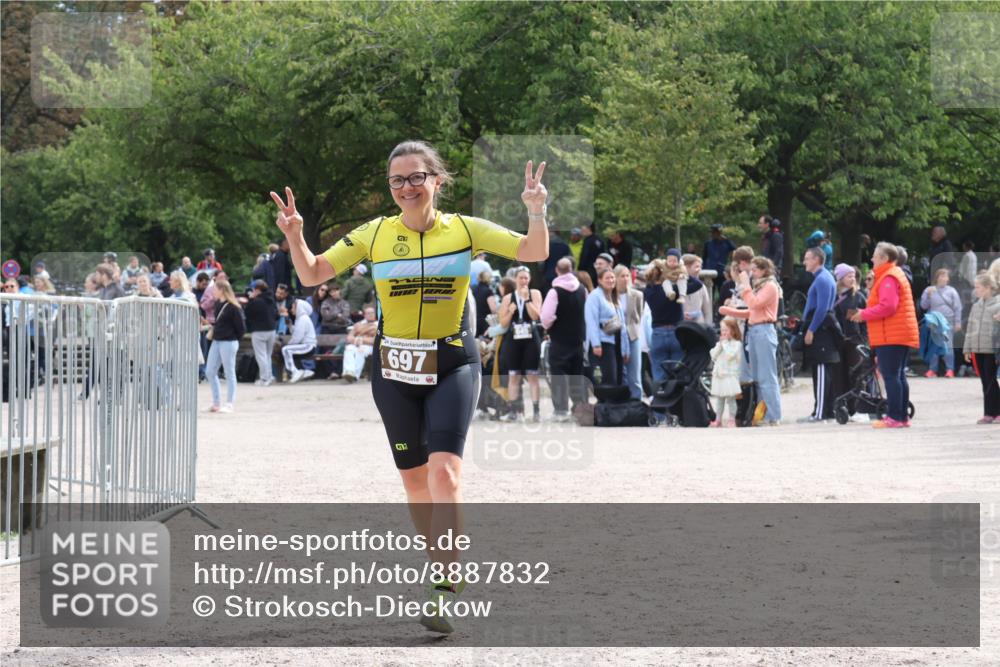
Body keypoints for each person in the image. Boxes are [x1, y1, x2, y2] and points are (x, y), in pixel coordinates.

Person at [270, 139, 549, 634]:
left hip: (452, 364)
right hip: (395, 370)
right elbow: (313, 272)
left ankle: (444, 579)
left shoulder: (464, 230)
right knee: (417, 483)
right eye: (396, 180)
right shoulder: (375, 234)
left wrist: (536, 211)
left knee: (446, 477)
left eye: (416, 177)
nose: (406, 188)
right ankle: (439, 560)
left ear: (437, 180)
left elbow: (535, 250)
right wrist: (295, 235)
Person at [848, 242, 919, 428]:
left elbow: (888, 306)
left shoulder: (889, 277)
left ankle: (895, 417)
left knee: (891, 376)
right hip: (897, 333)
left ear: (885, 259)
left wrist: (864, 314)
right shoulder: (893, 275)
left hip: (892, 335)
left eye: (875, 255)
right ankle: (901, 417)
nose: (871, 258)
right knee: (898, 376)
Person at [719, 257, 783, 426]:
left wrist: (745, 284)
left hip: (764, 331)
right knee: (756, 376)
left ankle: (773, 415)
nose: (752, 273)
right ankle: (760, 413)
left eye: (755, 270)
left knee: (767, 375)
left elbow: (754, 304)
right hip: (755, 331)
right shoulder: (760, 286)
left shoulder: (770, 286)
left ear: (764, 270)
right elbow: (752, 312)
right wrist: (731, 311)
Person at [541, 257, 587, 421]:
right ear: (572, 269)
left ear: (556, 270)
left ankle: (561, 410)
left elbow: (546, 317)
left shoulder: (555, 292)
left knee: (558, 375)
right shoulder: (582, 289)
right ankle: (580, 407)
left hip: (559, 339)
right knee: (577, 375)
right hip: (578, 339)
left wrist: (549, 327)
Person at [799, 247, 840, 422]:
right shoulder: (823, 278)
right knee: (822, 370)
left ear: (816, 259)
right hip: (820, 328)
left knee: (822, 369)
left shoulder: (823, 279)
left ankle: (820, 412)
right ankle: (826, 410)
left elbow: (822, 308)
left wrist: (811, 329)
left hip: (821, 330)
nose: (804, 262)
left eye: (807, 258)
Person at [498, 266, 544, 422]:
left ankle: (536, 411)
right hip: (513, 338)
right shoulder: (507, 298)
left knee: (532, 375)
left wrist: (527, 300)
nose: (524, 281)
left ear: (529, 279)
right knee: (514, 376)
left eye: (526, 278)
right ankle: (513, 410)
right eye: (521, 278)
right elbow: (502, 323)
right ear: (515, 279)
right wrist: (510, 311)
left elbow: (537, 316)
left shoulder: (535, 293)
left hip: (531, 337)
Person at [831, 264, 870, 422]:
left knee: (857, 374)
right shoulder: (833, 296)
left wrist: (865, 338)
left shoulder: (859, 297)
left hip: (855, 340)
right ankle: (841, 407)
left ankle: (858, 408)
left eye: (854, 275)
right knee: (839, 375)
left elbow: (865, 320)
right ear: (840, 278)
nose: (852, 278)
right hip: (838, 341)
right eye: (848, 276)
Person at [643, 258, 688, 391]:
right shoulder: (674, 290)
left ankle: (660, 409)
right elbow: (696, 284)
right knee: (677, 373)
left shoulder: (649, 291)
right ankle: (677, 406)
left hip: (657, 333)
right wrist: (680, 271)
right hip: (676, 333)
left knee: (658, 374)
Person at [962, 272, 1000, 424]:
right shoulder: (976, 306)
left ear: (987, 288)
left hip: (991, 350)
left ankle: (997, 412)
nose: (975, 290)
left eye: (978, 287)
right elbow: (970, 328)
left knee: (991, 381)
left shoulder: (998, 304)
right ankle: (988, 413)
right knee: (985, 381)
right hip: (977, 350)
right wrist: (967, 348)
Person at [205, 280, 245, 413]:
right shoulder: (218, 304)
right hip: (217, 341)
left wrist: (233, 339)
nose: (213, 291)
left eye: (215, 289)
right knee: (210, 371)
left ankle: (229, 403)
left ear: (222, 289)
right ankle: (216, 402)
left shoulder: (234, 307)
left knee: (229, 372)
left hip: (229, 341)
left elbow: (241, 328)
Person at [585, 267, 629, 387]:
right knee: (608, 378)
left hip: (617, 341)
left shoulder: (615, 298)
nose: (611, 280)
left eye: (612, 277)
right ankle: (605, 403)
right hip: (603, 342)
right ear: (599, 280)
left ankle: (615, 404)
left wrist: (626, 349)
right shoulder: (594, 297)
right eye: (607, 278)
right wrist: (596, 344)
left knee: (618, 378)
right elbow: (591, 321)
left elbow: (622, 325)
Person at [919, 268, 962, 377]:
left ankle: (950, 369)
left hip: (948, 321)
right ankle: (932, 369)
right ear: (936, 278)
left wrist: (958, 322)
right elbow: (923, 306)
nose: (943, 278)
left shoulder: (952, 291)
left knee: (948, 345)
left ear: (948, 279)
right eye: (941, 276)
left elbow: (958, 307)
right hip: (934, 321)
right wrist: (928, 296)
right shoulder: (929, 289)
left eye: (945, 276)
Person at [615, 264, 644, 400]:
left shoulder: (637, 295)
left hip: (632, 334)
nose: (625, 279)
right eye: (622, 276)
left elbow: (638, 315)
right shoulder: (609, 295)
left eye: (627, 275)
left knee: (634, 373)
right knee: (620, 372)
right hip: (615, 335)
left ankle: (637, 401)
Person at [710, 318, 743, 427]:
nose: (723, 332)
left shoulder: (736, 344)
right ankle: (718, 419)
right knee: (719, 399)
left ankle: (732, 419)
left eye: (726, 330)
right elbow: (713, 355)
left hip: (729, 376)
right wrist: (720, 345)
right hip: (720, 375)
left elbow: (730, 355)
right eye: (722, 330)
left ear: (733, 331)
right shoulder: (721, 343)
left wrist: (724, 344)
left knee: (731, 399)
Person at [244, 280, 278, 386]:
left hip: (259, 331)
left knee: (261, 355)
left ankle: (264, 378)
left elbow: (247, 313)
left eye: (254, 290)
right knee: (267, 355)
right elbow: (276, 315)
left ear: (257, 290)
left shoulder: (255, 301)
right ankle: (269, 376)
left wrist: (250, 299)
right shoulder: (271, 300)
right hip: (271, 330)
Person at [283, 298, 317, 383]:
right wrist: (290, 325)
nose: (291, 310)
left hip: (308, 346)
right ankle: (305, 372)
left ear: (299, 308)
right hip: (306, 346)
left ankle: (294, 372)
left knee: (286, 350)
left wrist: (289, 344)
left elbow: (298, 337)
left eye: (293, 307)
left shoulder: (303, 319)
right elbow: (296, 332)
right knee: (287, 349)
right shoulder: (300, 319)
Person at [342, 306, 378, 382]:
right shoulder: (359, 324)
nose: (370, 314)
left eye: (372, 313)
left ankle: (355, 376)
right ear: (364, 315)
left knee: (361, 350)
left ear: (375, 314)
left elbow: (376, 340)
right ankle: (349, 372)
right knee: (349, 348)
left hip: (370, 347)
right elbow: (349, 337)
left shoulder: (378, 325)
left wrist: (361, 339)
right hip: (356, 344)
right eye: (368, 313)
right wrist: (357, 340)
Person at [681, 254, 712, 323]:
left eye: (700, 267)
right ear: (686, 268)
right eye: (696, 267)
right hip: (680, 327)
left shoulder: (702, 287)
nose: (699, 270)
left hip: (698, 327)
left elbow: (707, 312)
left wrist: (707, 328)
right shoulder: (675, 286)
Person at [703, 224, 736, 288]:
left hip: (722, 271)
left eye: (715, 232)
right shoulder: (708, 244)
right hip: (710, 271)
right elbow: (704, 258)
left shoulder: (726, 243)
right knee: (710, 290)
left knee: (722, 289)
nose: (712, 234)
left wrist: (727, 240)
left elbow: (735, 248)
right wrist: (704, 270)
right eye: (712, 233)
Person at [472, 269, 496, 338]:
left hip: (474, 320)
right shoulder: (488, 291)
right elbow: (493, 309)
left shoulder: (473, 290)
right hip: (485, 322)